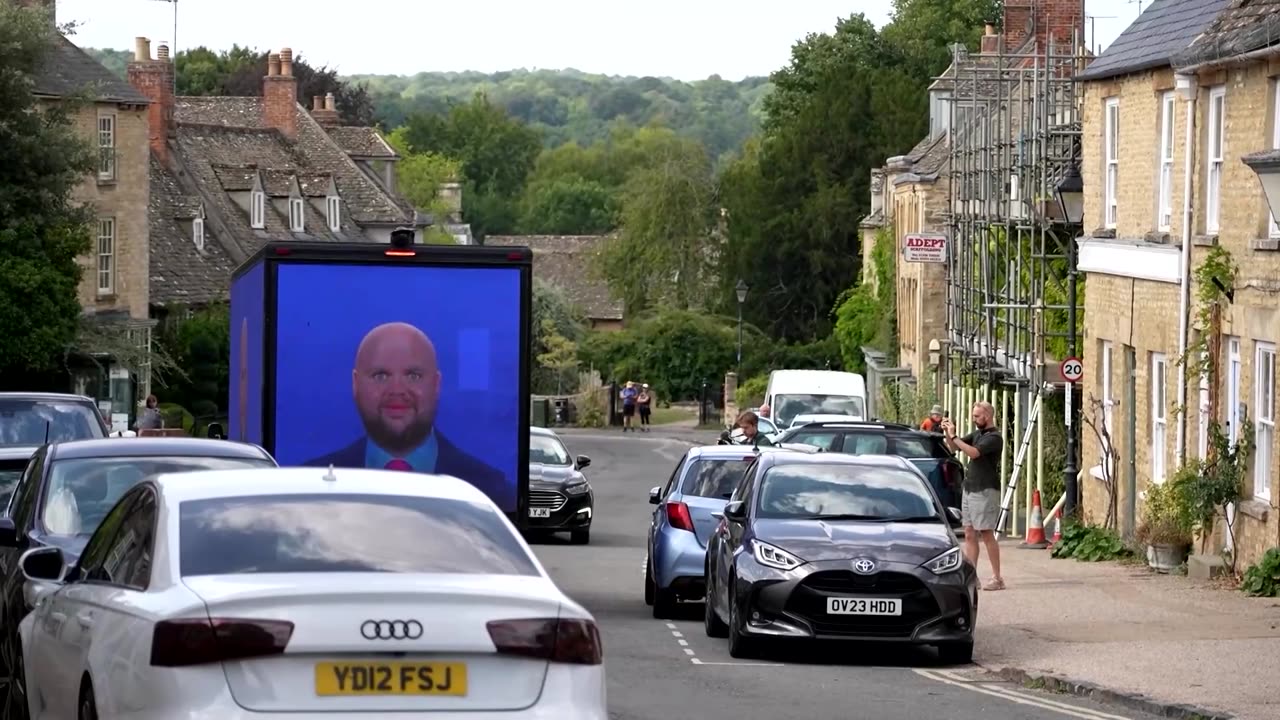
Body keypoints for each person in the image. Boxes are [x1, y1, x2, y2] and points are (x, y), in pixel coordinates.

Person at [302, 322, 504, 498]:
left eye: (413, 376)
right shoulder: (308, 486)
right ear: (355, 385)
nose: (397, 391)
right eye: (381, 376)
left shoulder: (489, 489)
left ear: (436, 385)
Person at [942, 401, 1005, 591]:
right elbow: (953, 448)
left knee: (986, 532)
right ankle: (972, 576)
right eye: (973, 416)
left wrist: (954, 435)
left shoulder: (994, 437)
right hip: (969, 488)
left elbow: (974, 453)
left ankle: (997, 577)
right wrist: (947, 432)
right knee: (969, 533)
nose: (974, 419)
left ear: (987, 415)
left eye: (977, 416)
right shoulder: (977, 434)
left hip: (985, 489)